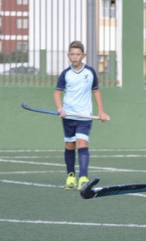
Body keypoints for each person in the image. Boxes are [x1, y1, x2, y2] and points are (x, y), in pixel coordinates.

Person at [54, 40, 110, 190]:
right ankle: (71, 176)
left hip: (84, 116)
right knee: (70, 145)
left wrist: (101, 111)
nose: (75, 57)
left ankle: (83, 178)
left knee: (82, 144)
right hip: (68, 116)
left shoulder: (90, 72)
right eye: (72, 54)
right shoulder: (65, 74)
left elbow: (96, 91)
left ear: (83, 55)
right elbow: (57, 93)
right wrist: (60, 109)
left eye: (77, 54)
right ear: (68, 56)